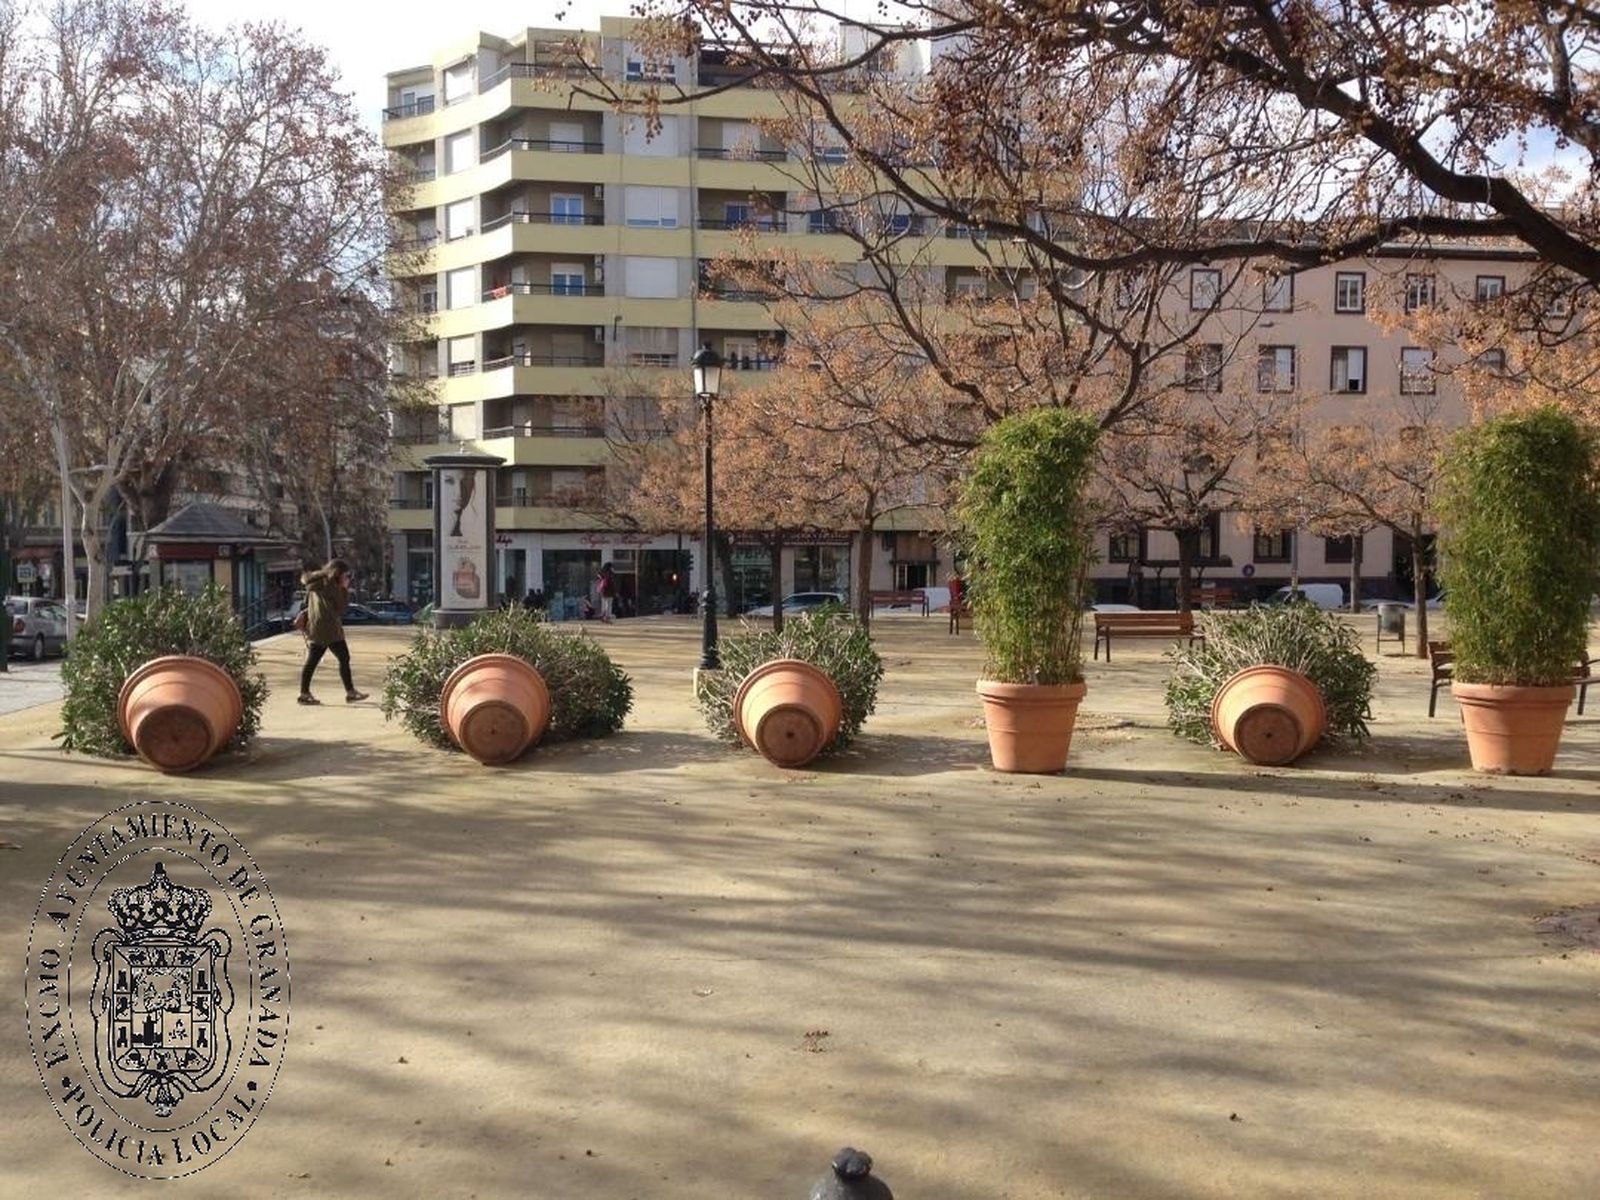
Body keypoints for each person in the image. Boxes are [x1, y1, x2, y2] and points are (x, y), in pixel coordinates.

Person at [297, 558, 368, 705]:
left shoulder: (315, 583)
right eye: (346, 575)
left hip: (317, 627)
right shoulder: (331, 586)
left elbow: (309, 604)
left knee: (314, 661)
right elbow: (341, 607)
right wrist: (344, 588)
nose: (348, 578)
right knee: (342, 658)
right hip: (329, 630)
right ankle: (350, 692)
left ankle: (305, 693)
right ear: (338, 573)